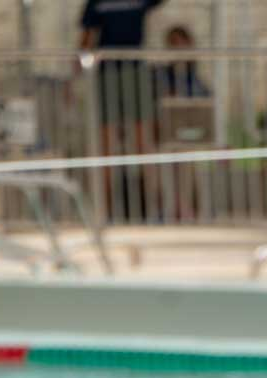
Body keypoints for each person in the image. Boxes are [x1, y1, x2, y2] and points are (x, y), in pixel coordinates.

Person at [79, 0, 166, 218]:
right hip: (106, 72)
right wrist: (77, 78)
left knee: (143, 140)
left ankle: (153, 208)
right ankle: (104, 210)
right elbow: (87, 37)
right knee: (106, 144)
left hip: (134, 68)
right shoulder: (95, 2)